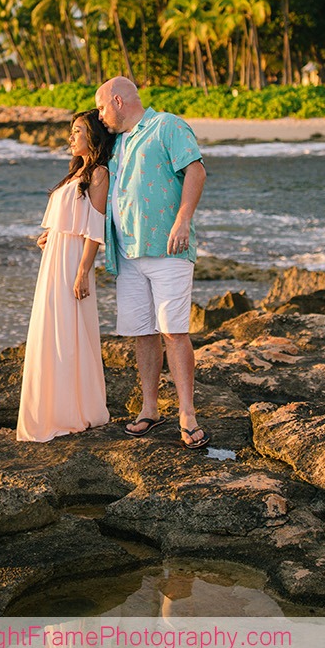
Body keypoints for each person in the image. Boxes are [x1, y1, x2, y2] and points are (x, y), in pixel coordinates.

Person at [95, 76, 210, 449]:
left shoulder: (167, 126)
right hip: (127, 253)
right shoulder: (118, 142)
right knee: (143, 332)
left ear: (117, 101)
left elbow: (196, 170)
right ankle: (150, 408)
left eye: (100, 108)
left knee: (174, 330)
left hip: (167, 248)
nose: (100, 117)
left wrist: (183, 219)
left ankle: (187, 413)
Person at [15, 109, 114, 442]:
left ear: (93, 137)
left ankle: (74, 409)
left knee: (68, 331)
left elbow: (94, 229)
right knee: (50, 329)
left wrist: (84, 271)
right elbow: (68, 219)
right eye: (71, 132)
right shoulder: (77, 173)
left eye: (77, 131)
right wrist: (50, 235)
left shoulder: (99, 174)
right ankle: (53, 406)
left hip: (73, 261)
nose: (71, 137)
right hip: (56, 256)